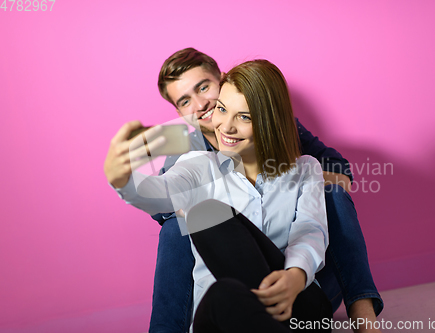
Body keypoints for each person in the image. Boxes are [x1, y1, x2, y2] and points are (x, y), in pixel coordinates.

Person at [104, 48, 383, 333]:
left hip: (298, 291)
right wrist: (123, 180)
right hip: (230, 280)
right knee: (189, 227)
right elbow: (160, 195)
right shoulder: (188, 154)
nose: (202, 106)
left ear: (223, 81)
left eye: (203, 87)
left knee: (331, 194)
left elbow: (319, 210)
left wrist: (293, 179)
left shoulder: (300, 159)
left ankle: (363, 316)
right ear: (179, 112)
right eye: (186, 101)